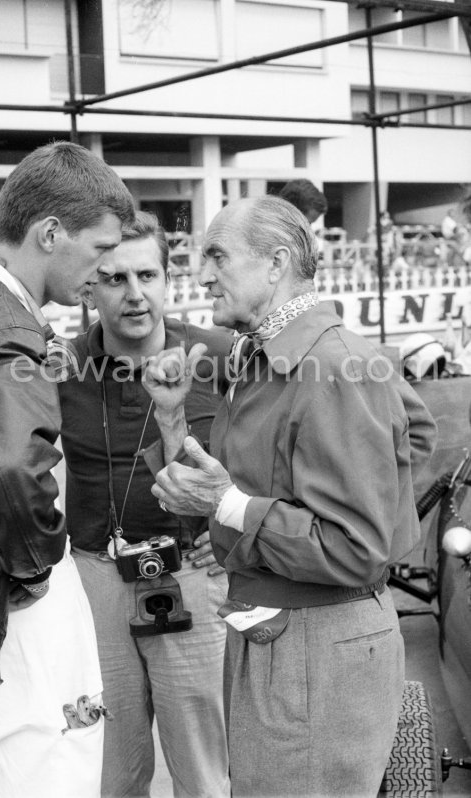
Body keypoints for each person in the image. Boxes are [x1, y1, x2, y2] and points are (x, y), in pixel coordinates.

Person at [142, 195, 437, 797]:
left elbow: (355, 548)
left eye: (217, 256)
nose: (201, 275)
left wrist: (228, 504)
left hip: (316, 645)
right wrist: (174, 426)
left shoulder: (331, 365)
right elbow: (415, 432)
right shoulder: (279, 357)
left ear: (276, 264)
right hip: (288, 638)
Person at [0, 141, 135, 798]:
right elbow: (14, 468)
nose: (104, 271)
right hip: (9, 602)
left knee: (11, 769)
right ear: (49, 233)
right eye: (100, 251)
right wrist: (37, 569)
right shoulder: (3, 325)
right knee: (51, 771)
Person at [58, 211, 231, 798]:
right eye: (114, 279)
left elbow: (282, 453)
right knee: (108, 770)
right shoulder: (58, 367)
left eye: (148, 276)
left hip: (194, 577)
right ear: (88, 287)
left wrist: (237, 530)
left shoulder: (223, 356)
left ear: (167, 278)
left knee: (204, 770)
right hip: (95, 584)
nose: (135, 295)